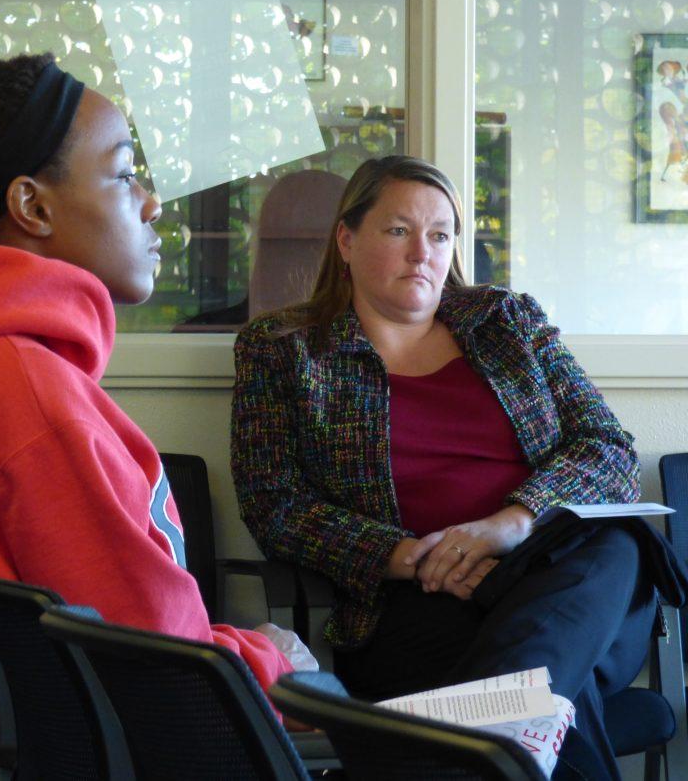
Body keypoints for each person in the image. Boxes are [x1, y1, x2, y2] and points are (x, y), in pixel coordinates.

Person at [0, 52, 313, 694]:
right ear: (32, 208)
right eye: (124, 174)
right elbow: (160, 668)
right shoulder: (26, 394)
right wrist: (273, 661)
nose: (150, 205)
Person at [231, 154, 655, 780]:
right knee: (551, 693)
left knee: (613, 542)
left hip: (561, 579)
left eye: (440, 234)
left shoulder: (507, 322)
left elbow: (609, 447)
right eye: (398, 230)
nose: (422, 253)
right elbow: (275, 504)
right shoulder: (284, 350)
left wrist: (510, 525)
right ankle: (505, 729)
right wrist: (415, 556)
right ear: (346, 240)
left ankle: (492, 725)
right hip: (419, 604)